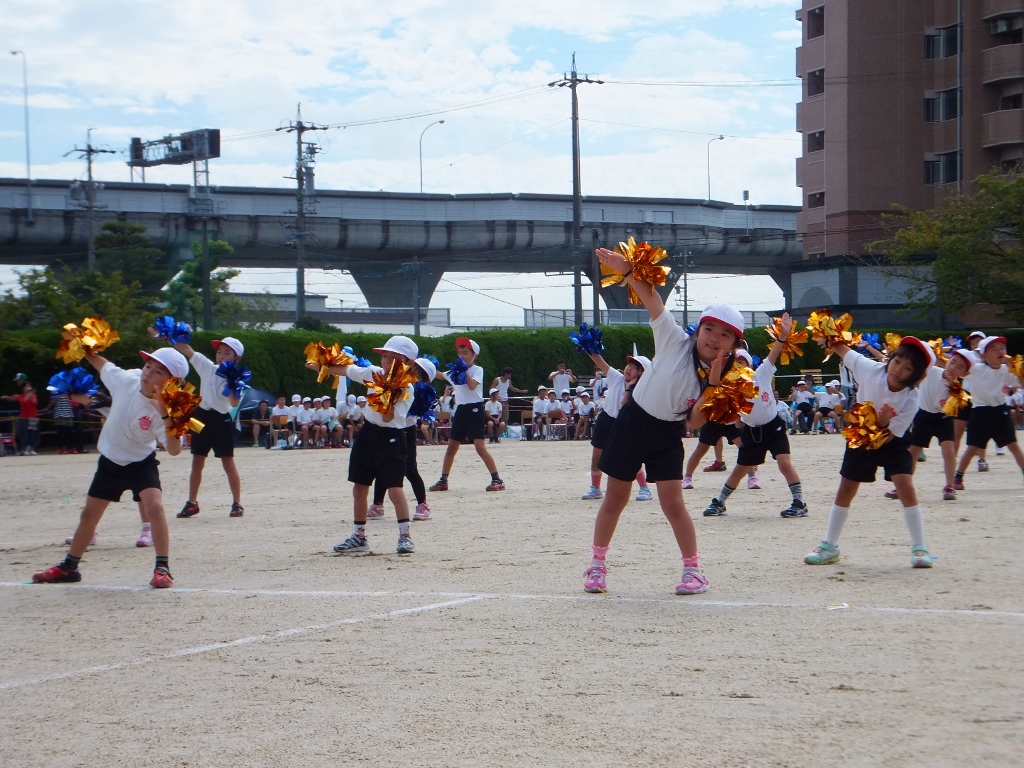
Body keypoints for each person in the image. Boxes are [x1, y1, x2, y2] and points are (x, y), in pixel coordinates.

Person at [586, 242, 747, 596]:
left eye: (725, 335)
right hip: (633, 422)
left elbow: (694, 422)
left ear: (734, 345)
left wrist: (714, 384)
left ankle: (693, 571)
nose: (715, 339)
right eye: (710, 329)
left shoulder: (723, 378)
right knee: (615, 498)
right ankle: (597, 565)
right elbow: (652, 299)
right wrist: (627, 270)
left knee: (673, 504)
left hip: (668, 433)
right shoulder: (674, 339)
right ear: (698, 330)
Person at [31, 346, 188, 588]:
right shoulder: (127, 380)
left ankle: (162, 568)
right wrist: (86, 348)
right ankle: (69, 567)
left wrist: (166, 415)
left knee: (155, 508)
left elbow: (175, 449)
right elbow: (102, 364)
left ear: (171, 382)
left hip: (141, 463)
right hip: (110, 462)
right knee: (89, 515)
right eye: (148, 366)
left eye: (158, 371)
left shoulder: (170, 408)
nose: (148, 373)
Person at [804, 336, 935, 569]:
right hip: (861, 436)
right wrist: (828, 337)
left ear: (916, 376)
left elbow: (892, 435)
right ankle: (830, 545)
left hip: (892, 442)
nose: (898, 370)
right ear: (890, 358)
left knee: (905, 486)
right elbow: (844, 351)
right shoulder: (870, 369)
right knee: (846, 488)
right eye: (897, 361)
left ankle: (919, 547)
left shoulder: (911, 397)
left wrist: (883, 423)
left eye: (908, 369)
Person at [313, 336, 420, 555]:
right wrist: (321, 366)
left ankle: (405, 536)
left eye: (394, 358)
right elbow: (347, 370)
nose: (386, 361)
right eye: (385, 356)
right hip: (368, 433)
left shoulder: (406, 387)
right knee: (359, 486)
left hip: (391, 437)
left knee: (394, 488)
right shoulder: (373, 373)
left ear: (408, 363)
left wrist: (386, 393)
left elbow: (389, 417)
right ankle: (359, 536)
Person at [701, 318, 809, 519]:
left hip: (773, 428)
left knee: (784, 463)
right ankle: (719, 503)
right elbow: (715, 388)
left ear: (749, 364)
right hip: (752, 432)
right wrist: (716, 366)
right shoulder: (732, 387)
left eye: (742, 363)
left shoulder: (762, 374)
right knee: (740, 469)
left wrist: (783, 335)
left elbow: (775, 352)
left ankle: (799, 502)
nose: (738, 367)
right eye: (734, 364)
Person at [165, 334, 245, 518]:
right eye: (219, 352)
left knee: (228, 462)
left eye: (227, 353)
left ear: (237, 358)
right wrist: (169, 336)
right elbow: (188, 351)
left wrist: (233, 384)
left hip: (222, 419)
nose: (221, 356)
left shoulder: (237, 379)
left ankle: (237, 503)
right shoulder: (208, 367)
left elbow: (234, 403)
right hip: (202, 416)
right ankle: (192, 503)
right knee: (197, 461)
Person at [883, 349, 973, 502]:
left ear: (964, 373)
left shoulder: (958, 390)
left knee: (949, 451)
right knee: (913, 452)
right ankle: (902, 486)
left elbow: (951, 409)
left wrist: (953, 391)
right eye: (953, 362)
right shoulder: (932, 371)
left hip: (943, 419)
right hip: (924, 416)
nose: (953, 367)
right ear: (948, 360)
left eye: (959, 367)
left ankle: (949, 486)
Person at [429, 337, 505, 491]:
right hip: (461, 410)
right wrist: (424, 366)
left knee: (479, 446)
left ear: (474, 355)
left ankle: (497, 479)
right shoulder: (455, 371)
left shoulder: (477, 370)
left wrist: (464, 371)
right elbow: (440, 375)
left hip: (474, 409)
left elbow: (471, 386)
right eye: (459, 353)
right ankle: (443, 480)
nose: (461, 356)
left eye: (465, 353)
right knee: (451, 447)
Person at [368, 358, 436, 522]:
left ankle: (422, 504)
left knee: (410, 468)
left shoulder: (420, 392)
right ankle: (378, 504)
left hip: (406, 430)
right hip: (390, 429)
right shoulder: (397, 380)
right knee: (383, 466)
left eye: (418, 373)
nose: (413, 374)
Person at [581, 350, 652, 502]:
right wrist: (588, 347)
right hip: (606, 419)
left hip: (625, 423)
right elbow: (599, 361)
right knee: (596, 457)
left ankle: (644, 488)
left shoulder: (641, 389)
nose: (629, 368)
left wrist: (629, 387)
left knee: (630, 457)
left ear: (642, 373)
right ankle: (595, 488)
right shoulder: (617, 377)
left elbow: (624, 406)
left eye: (635, 367)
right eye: (629, 364)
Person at [954, 336, 1024, 489]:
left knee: (1013, 445)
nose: (1000, 351)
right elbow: (960, 369)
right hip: (980, 412)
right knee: (972, 447)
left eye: (1002, 348)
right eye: (994, 349)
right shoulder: (977, 370)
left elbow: (1021, 384)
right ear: (984, 356)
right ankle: (958, 476)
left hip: (1000, 411)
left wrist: (1018, 370)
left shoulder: (1007, 371)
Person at [955, 331, 990, 469]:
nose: (975, 345)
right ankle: (952, 460)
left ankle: (982, 460)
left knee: (980, 432)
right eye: (973, 342)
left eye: (978, 341)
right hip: (966, 395)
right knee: (958, 430)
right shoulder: (967, 356)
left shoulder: (990, 359)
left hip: (980, 397)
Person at [2, 374, 40, 455]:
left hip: (33, 417)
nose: (28, 388)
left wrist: (31, 395)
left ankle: (32, 448)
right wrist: (28, 394)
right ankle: (24, 448)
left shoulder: (34, 395)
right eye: (26, 386)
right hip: (24, 417)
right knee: (23, 433)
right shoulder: (21, 396)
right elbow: (23, 401)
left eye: (29, 386)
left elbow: (35, 403)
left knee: (33, 433)